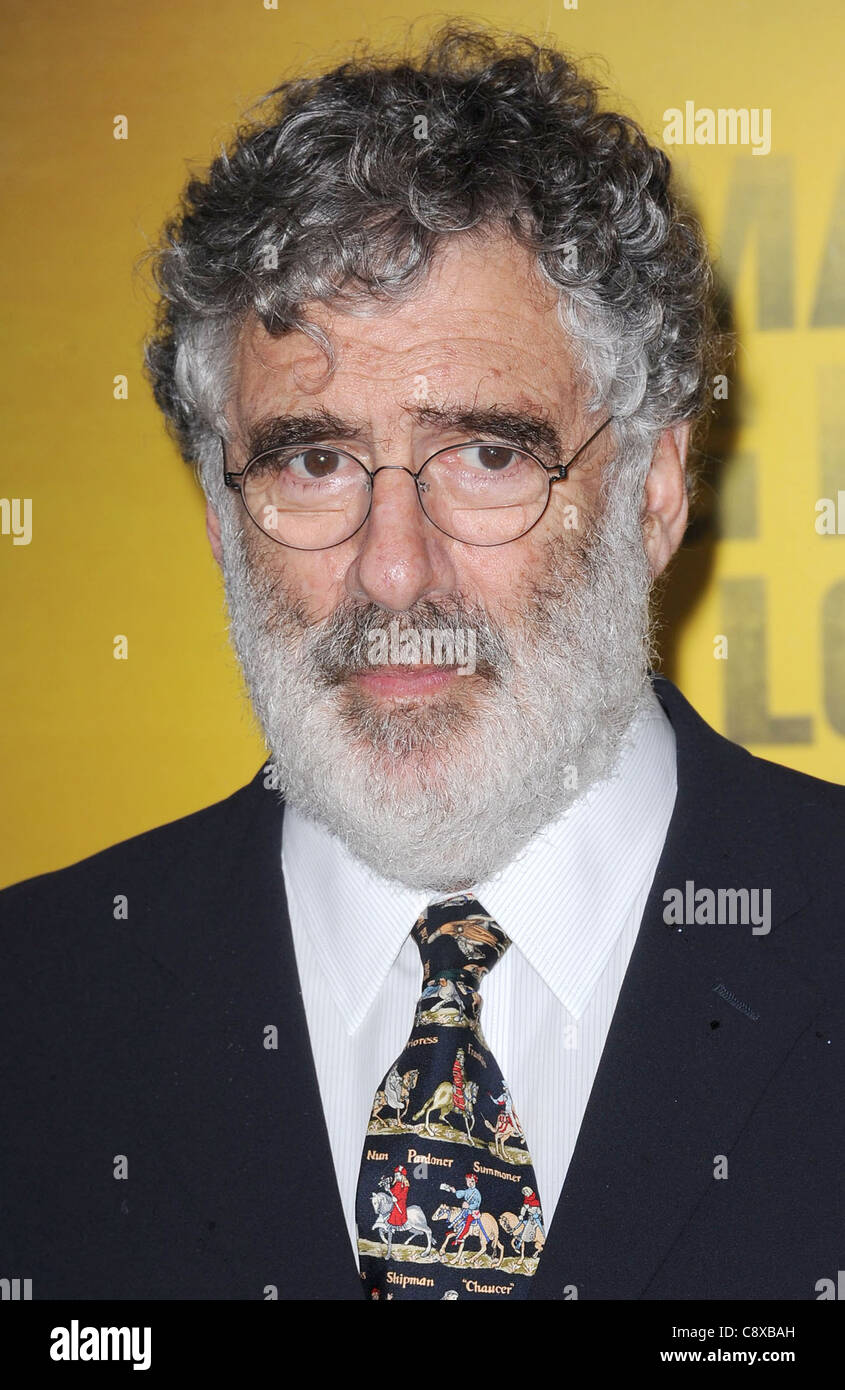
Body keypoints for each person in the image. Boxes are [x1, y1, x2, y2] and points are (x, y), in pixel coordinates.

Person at [1, 25, 843, 1301]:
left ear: (655, 488)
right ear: (224, 517)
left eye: (487, 454)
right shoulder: (37, 1007)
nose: (393, 571)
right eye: (313, 461)